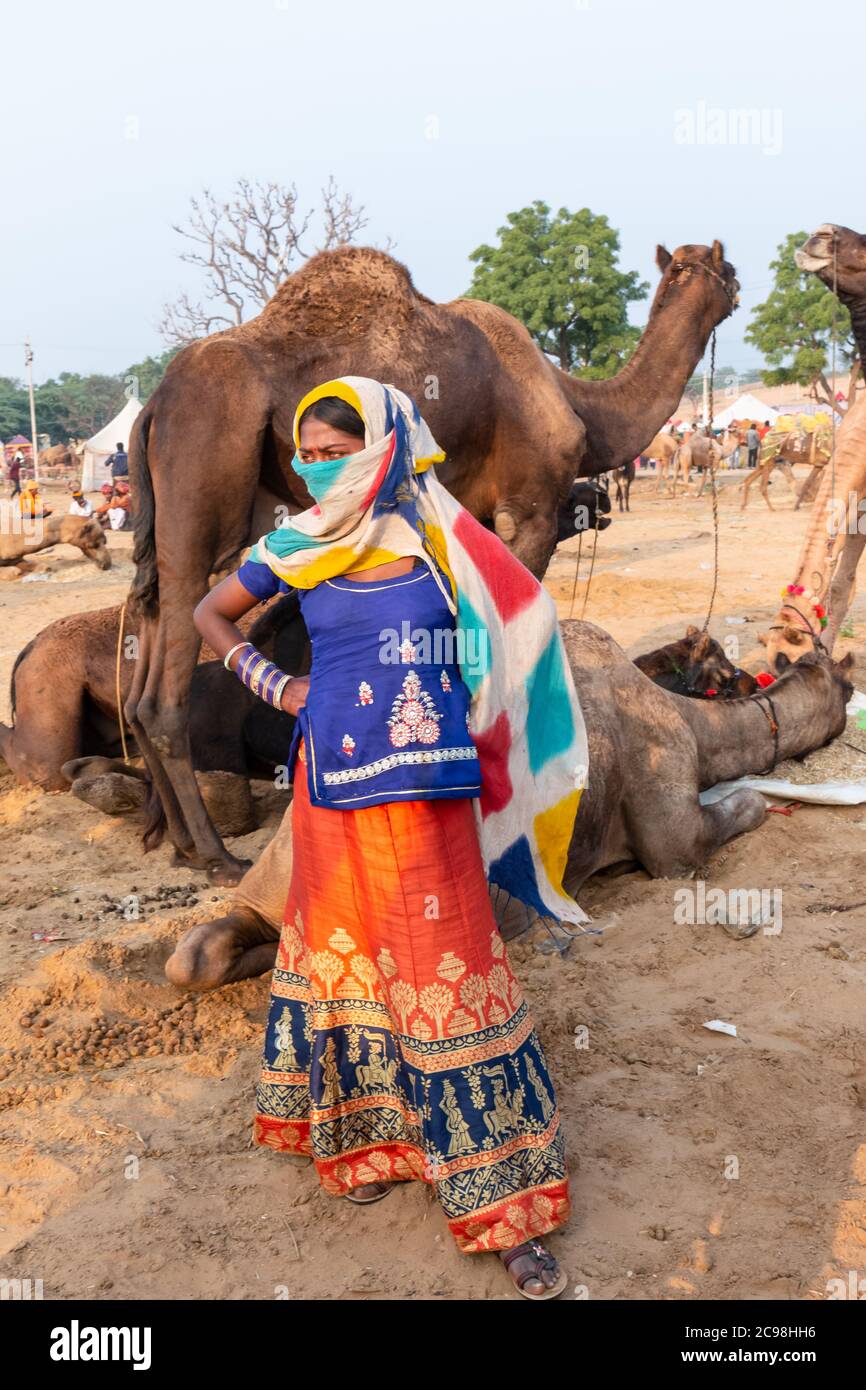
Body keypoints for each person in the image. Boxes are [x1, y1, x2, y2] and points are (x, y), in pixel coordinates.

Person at [193, 376, 590, 1300]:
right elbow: (212, 616)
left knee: (444, 966)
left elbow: (524, 621)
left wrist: (471, 693)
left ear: (391, 445)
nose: (326, 470)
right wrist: (281, 688)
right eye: (312, 456)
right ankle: (374, 1143)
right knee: (356, 962)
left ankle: (507, 1210)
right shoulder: (297, 544)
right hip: (332, 791)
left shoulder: (443, 541)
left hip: (429, 793)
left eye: (343, 451)